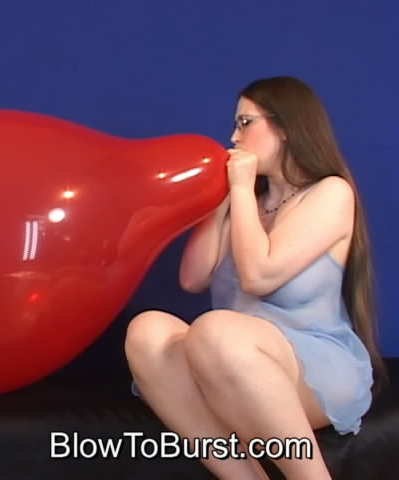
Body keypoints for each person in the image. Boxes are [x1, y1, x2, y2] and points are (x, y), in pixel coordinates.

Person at [124, 76, 387, 480]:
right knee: (147, 331)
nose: (234, 137)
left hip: (312, 368)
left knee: (215, 330)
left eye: (245, 123)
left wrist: (242, 190)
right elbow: (192, 279)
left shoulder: (331, 194)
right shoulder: (247, 203)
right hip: (227, 362)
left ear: (285, 128)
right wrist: (221, 201)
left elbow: (258, 276)